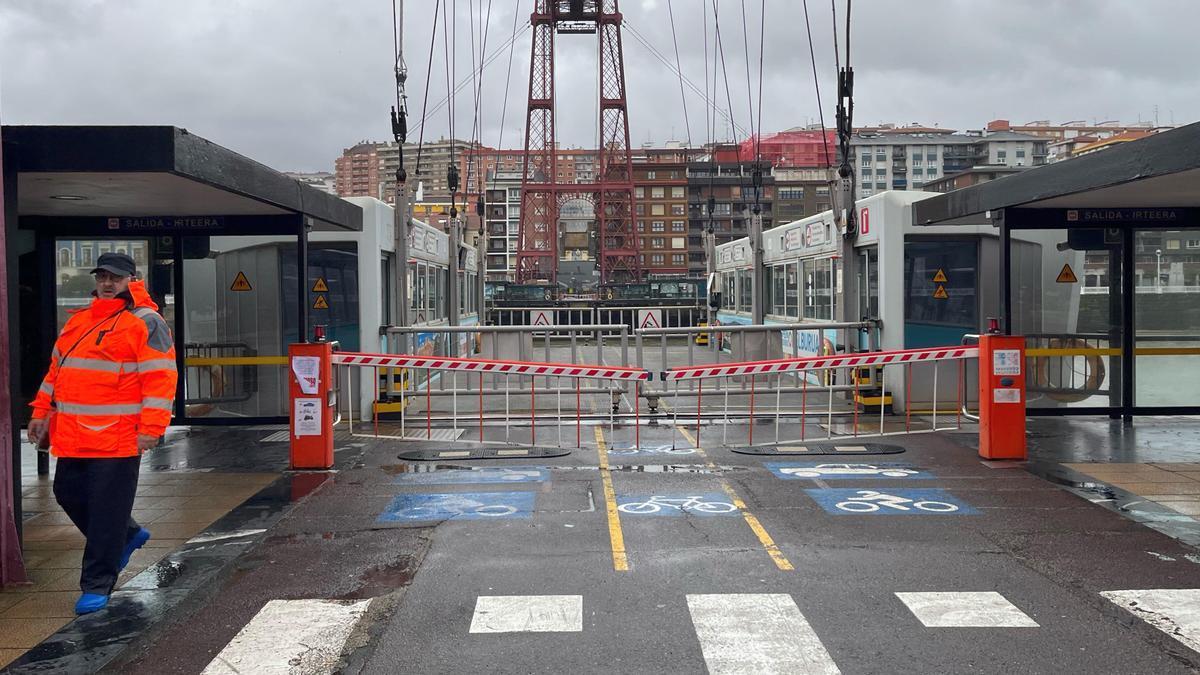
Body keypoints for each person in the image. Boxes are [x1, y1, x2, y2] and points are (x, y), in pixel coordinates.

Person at [27, 252, 178, 614]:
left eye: (116, 278)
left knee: (107, 511)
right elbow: (56, 372)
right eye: (103, 277)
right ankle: (126, 535)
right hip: (75, 436)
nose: (108, 283)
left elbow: (160, 378)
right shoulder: (78, 322)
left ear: (131, 280)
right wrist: (40, 411)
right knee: (67, 493)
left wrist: (151, 429)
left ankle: (97, 584)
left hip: (119, 437)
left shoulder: (145, 322)